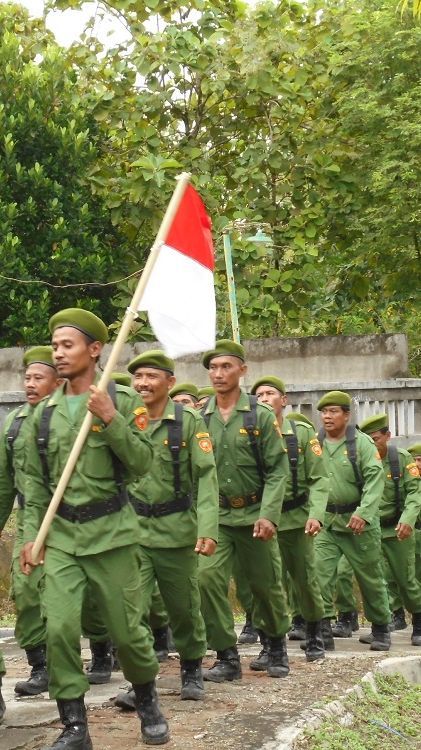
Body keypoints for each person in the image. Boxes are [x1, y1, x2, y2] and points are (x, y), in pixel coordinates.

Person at [20, 308, 169, 748]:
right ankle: (75, 725)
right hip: (62, 537)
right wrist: (33, 536)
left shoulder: (121, 402)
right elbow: (33, 485)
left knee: (127, 633)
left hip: (113, 535)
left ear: (95, 349)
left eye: (68, 345)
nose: (59, 354)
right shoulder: (43, 414)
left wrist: (110, 418)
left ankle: (147, 701)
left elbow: (144, 465)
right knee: (60, 630)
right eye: (55, 346)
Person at [114, 350, 219, 709]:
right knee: (131, 610)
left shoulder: (187, 421)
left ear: (170, 383)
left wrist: (208, 527)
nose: (142, 383)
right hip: (133, 531)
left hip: (176, 530)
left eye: (151, 376)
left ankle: (191, 668)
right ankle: (142, 682)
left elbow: (206, 476)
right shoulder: (127, 420)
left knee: (184, 607)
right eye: (138, 377)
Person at [198, 340, 291, 681]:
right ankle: (226, 655)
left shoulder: (259, 415)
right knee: (206, 580)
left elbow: (278, 469)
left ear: (242, 370)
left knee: (265, 585)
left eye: (226, 367)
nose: (219, 374)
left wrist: (268, 514)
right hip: (217, 518)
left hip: (254, 514)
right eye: (213, 368)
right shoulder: (200, 416)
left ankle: (276, 644)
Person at [248, 377, 328, 665]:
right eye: (259, 395)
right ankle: (270, 644)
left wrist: (316, 514)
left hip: (296, 519)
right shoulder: (249, 432)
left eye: (270, 393)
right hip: (261, 520)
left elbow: (319, 478)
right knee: (265, 584)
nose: (265, 398)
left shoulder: (302, 434)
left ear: (284, 400)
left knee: (305, 580)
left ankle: (315, 633)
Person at [0, 346, 60, 696]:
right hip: (30, 518)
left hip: (74, 518)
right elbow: (5, 482)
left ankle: (101, 650)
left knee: (89, 596)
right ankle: (40, 665)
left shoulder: (75, 416)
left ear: (57, 381)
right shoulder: (15, 423)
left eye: (39, 377)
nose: (30, 383)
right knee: (25, 592)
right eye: (27, 378)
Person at [314, 391, 391, 651]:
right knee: (319, 573)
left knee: (370, 577)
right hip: (327, 521)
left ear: (347, 415)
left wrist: (364, 512)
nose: (327, 416)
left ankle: (381, 627)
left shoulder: (362, 444)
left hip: (359, 524)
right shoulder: (317, 443)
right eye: (324, 412)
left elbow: (374, 480)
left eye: (333, 411)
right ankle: (323, 628)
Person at [358, 414, 421, 647]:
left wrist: (408, 520)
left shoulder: (401, 460)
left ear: (387, 436)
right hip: (370, 529)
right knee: (373, 580)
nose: (373, 444)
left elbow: (415, 494)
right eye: (368, 440)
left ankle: (418, 621)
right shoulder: (360, 459)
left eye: (376, 439)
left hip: (397, 529)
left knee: (406, 579)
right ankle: (379, 627)